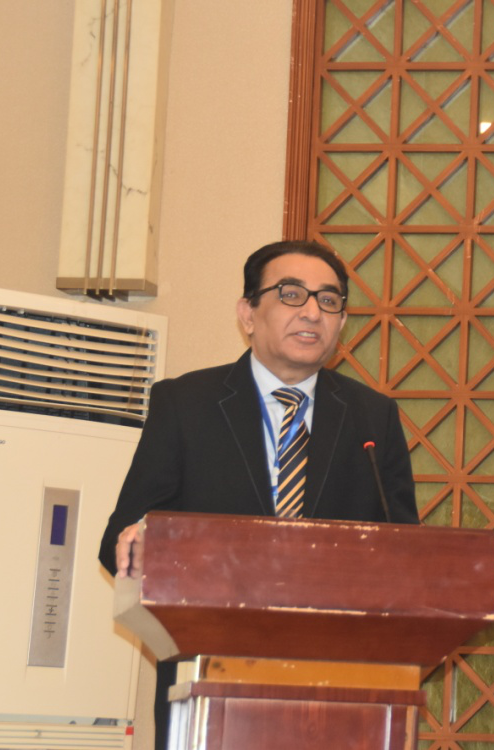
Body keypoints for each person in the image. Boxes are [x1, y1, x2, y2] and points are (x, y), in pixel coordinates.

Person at [98, 239, 418, 750]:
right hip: (210, 683)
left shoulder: (371, 418)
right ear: (248, 314)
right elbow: (120, 537)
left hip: (339, 690)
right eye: (291, 294)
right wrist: (139, 540)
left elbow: (405, 553)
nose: (312, 311)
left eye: (329, 300)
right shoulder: (186, 404)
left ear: (340, 322)